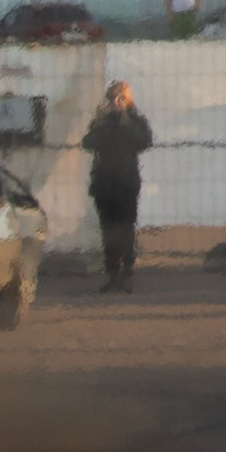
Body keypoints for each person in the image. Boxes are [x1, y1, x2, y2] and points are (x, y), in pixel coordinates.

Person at [83, 80, 153, 293]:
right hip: (105, 183)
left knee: (126, 227)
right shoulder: (103, 121)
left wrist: (125, 120)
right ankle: (113, 273)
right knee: (108, 229)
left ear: (128, 98)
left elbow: (144, 142)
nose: (115, 102)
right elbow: (88, 143)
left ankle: (128, 272)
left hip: (126, 182)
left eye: (120, 97)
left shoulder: (135, 120)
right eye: (112, 98)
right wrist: (100, 122)